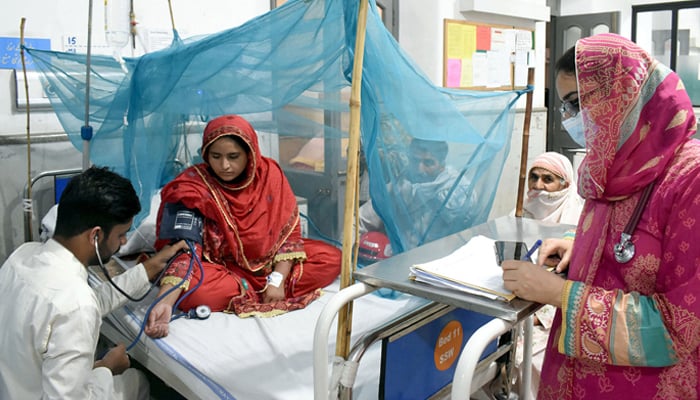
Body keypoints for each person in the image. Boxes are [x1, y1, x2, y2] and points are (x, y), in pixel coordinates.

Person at [501, 33, 700, 399]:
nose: (569, 121)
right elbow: (631, 243)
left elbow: (680, 326)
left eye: (577, 103)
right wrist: (581, 246)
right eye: (564, 107)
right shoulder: (606, 165)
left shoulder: (690, 180)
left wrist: (559, 294)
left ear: (622, 94)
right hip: (573, 375)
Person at [145, 114, 341, 338]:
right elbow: (184, 249)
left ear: (250, 153)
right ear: (205, 154)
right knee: (199, 292)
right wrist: (166, 302)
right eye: (216, 156)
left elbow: (289, 236)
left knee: (331, 258)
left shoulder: (270, 175)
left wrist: (277, 280)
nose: (224, 166)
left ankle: (270, 289)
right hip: (221, 270)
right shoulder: (192, 187)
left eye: (233, 156)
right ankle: (253, 291)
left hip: (270, 264)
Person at [0, 166, 188, 400]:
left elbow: (81, 303)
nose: (124, 241)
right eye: (121, 234)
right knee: (137, 381)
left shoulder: (23, 256)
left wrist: (146, 270)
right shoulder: (76, 304)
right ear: (96, 236)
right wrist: (106, 369)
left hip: (14, 386)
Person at [358, 137, 475, 250]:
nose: (419, 169)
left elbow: (465, 236)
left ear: (442, 165)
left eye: (428, 162)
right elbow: (362, 218)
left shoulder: (456, 192)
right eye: (415, 160)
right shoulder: (402, 184)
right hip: (399, 261)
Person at [520, 151, 584, 225]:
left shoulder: (580, 220)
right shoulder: (520, 214)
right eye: (534, 177)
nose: (538, 186)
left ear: (565, 185)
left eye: (547, 179)